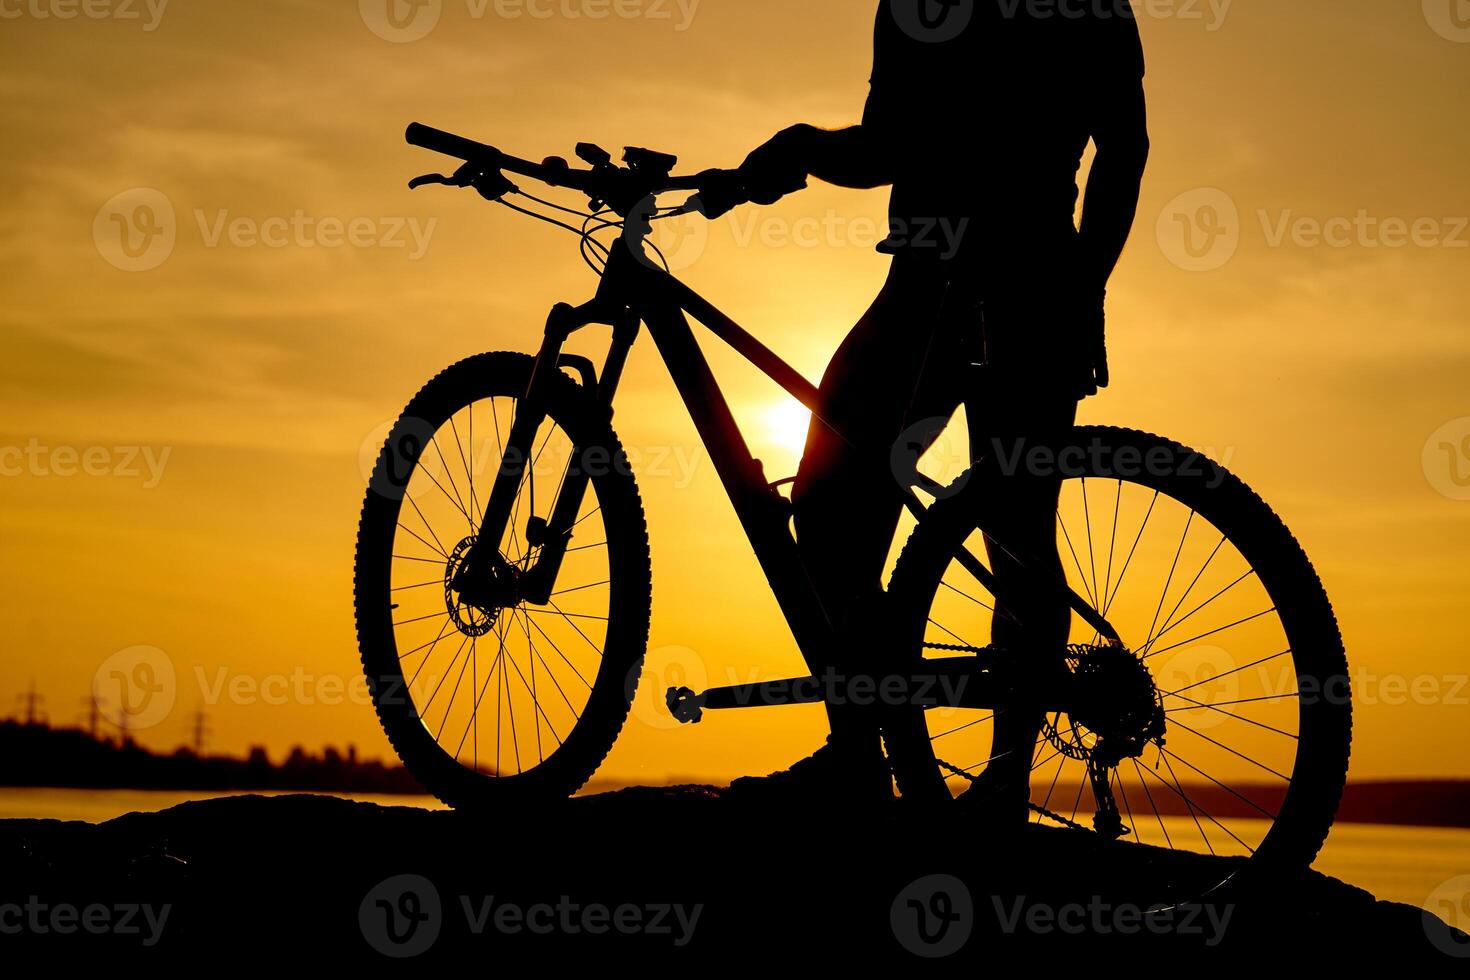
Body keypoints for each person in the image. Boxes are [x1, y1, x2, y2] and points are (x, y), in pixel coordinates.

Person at [704, 0, 1150, 809]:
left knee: (837, 507)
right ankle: (995, 776)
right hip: (1037, 281)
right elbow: (1125, 146)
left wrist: (800, 148)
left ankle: (867, 755)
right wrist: (1086, 284)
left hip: (935, 287)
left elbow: (889, 147)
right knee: (1014, 528)